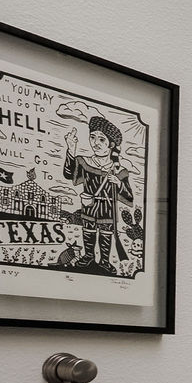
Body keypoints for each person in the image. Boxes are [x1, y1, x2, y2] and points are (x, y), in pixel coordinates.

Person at [61, 116, 134, 272]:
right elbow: (68, 174)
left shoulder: (119, 170)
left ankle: (105, 261)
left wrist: (118, 183)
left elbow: (129, 196)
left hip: (107, 206)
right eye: (92, 137)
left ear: (111, 144)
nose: (95, 143)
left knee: (106, 233)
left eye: (101, 139)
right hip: (89, 203)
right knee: (88, 230)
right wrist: (71, 149)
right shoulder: (85, 162)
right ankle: (88, 256)